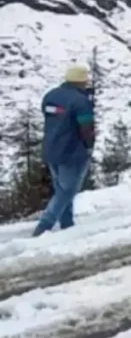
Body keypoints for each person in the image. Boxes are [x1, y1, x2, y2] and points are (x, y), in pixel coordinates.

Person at [34, 65, 95, 237]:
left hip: (51, 150)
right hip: (72, 152)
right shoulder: (81, 101)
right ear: (82, 82)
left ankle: (67, 224)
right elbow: (86, 128)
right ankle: (44, 226)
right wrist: (89, 146)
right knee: (67, 191)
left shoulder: (50, 96)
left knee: (61, 188)